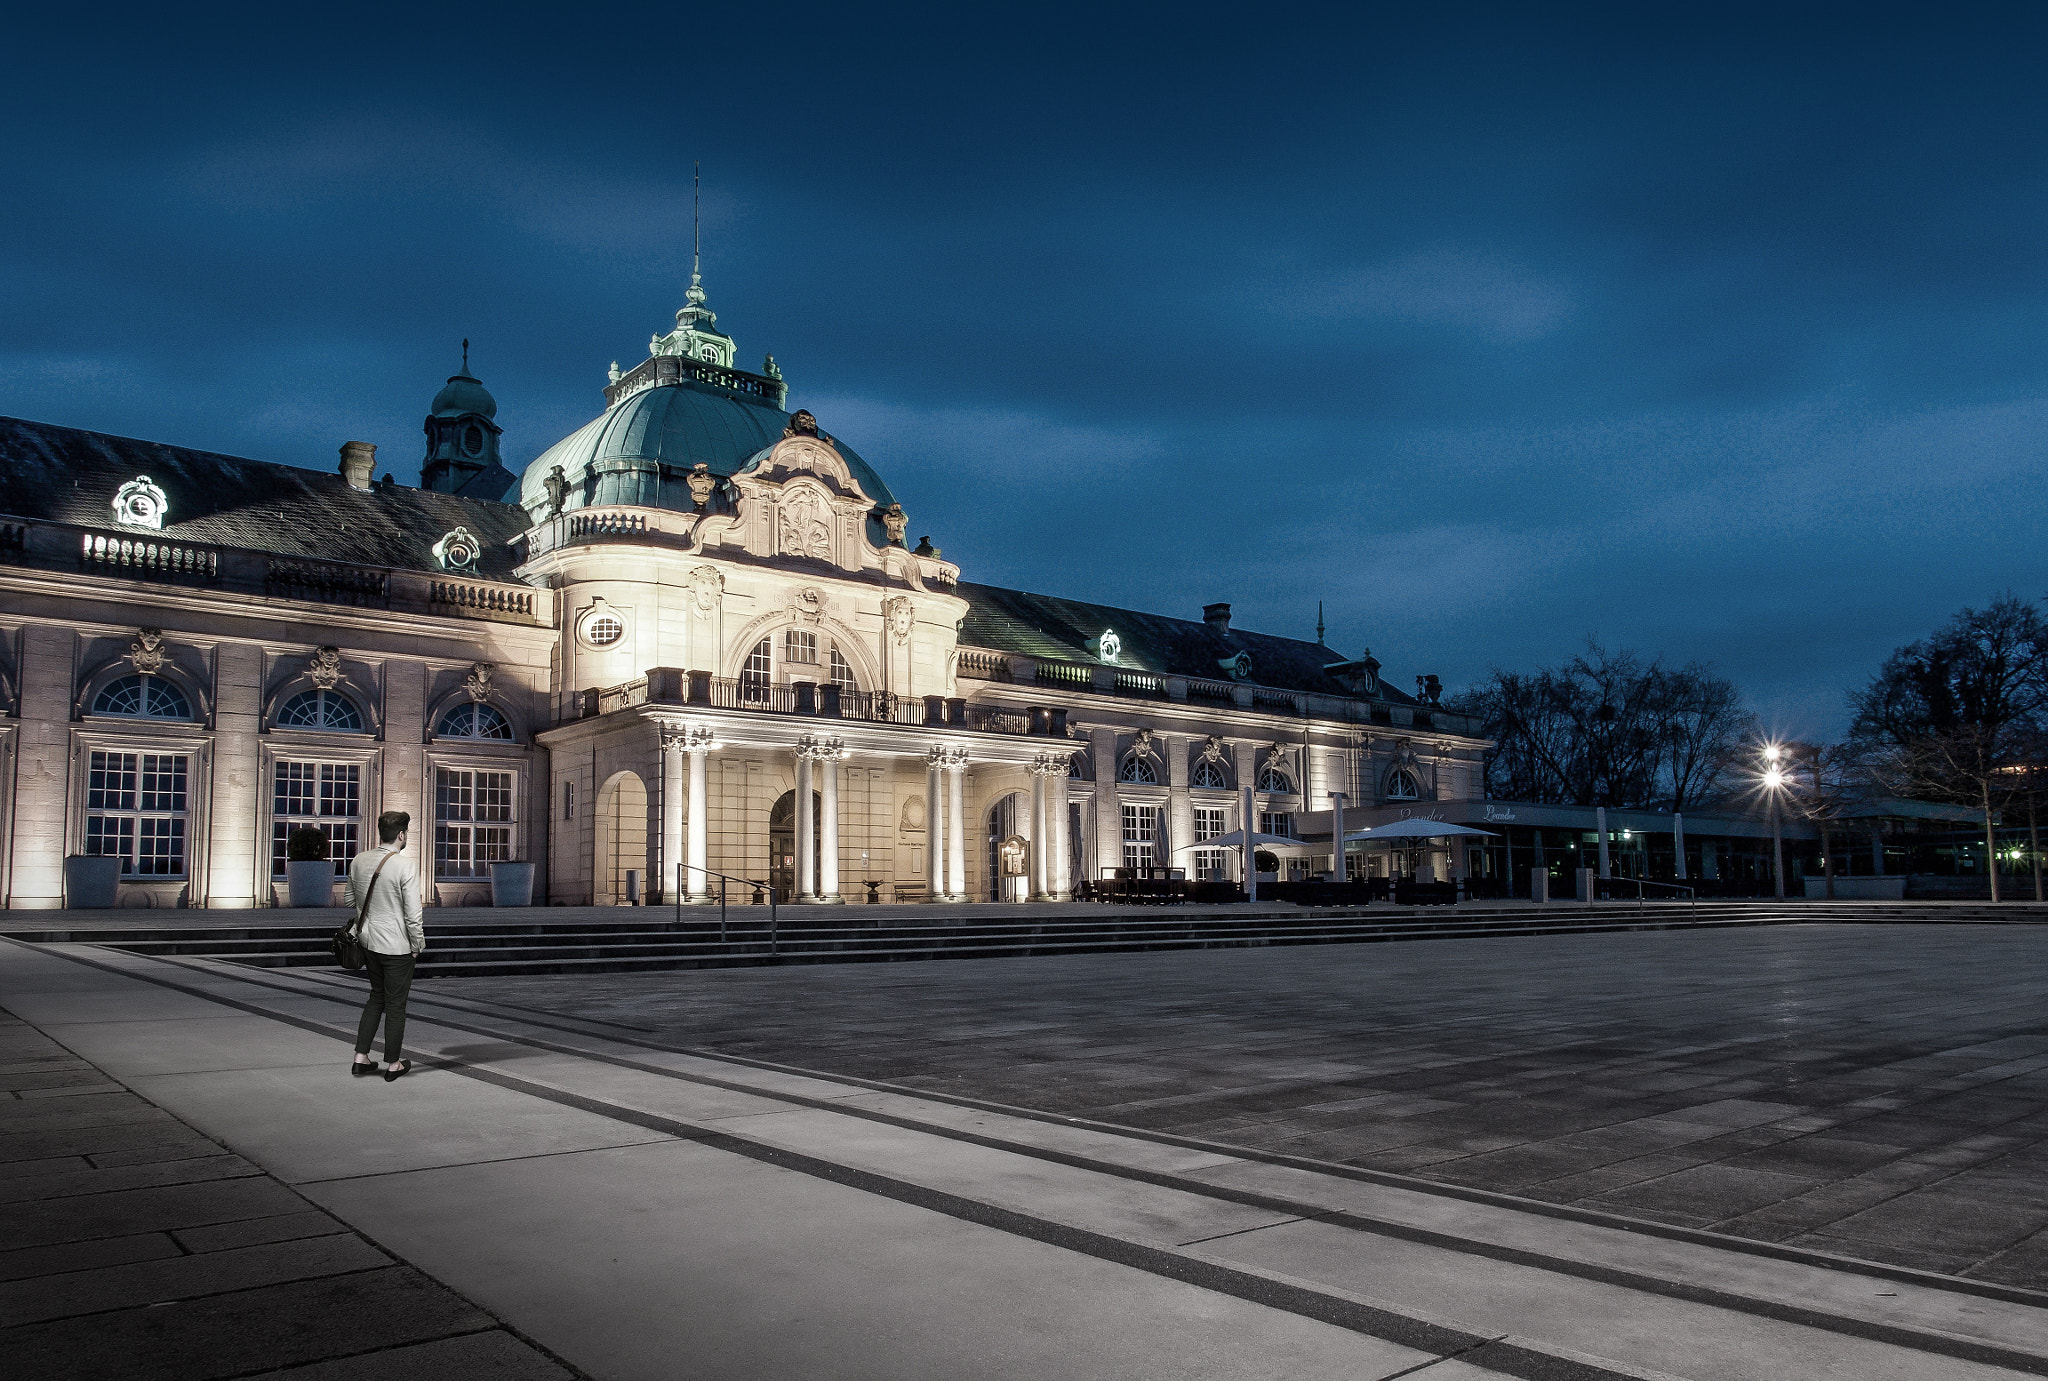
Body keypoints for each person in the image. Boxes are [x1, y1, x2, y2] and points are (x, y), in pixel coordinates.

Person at [347, 810, 425, 1082]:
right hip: (397, 946)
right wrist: (417, 945)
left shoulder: (359, 860)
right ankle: (393, 1064)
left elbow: (349, 900)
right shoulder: (405, 866)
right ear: (402, 834)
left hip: (368, 941)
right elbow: (413, 915)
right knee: (395, 1006)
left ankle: (361, 1058)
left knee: (375, 997)